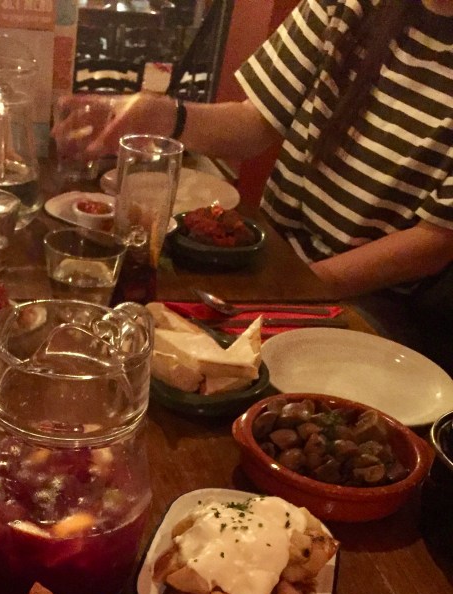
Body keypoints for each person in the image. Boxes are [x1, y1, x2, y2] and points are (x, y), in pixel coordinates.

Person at [57, 0, 453, 369]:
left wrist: (294, 290)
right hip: (269, 255)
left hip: (366, 297)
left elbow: (433, 242)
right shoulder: (345, 6)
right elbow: (254, 124)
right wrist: (162, 116)